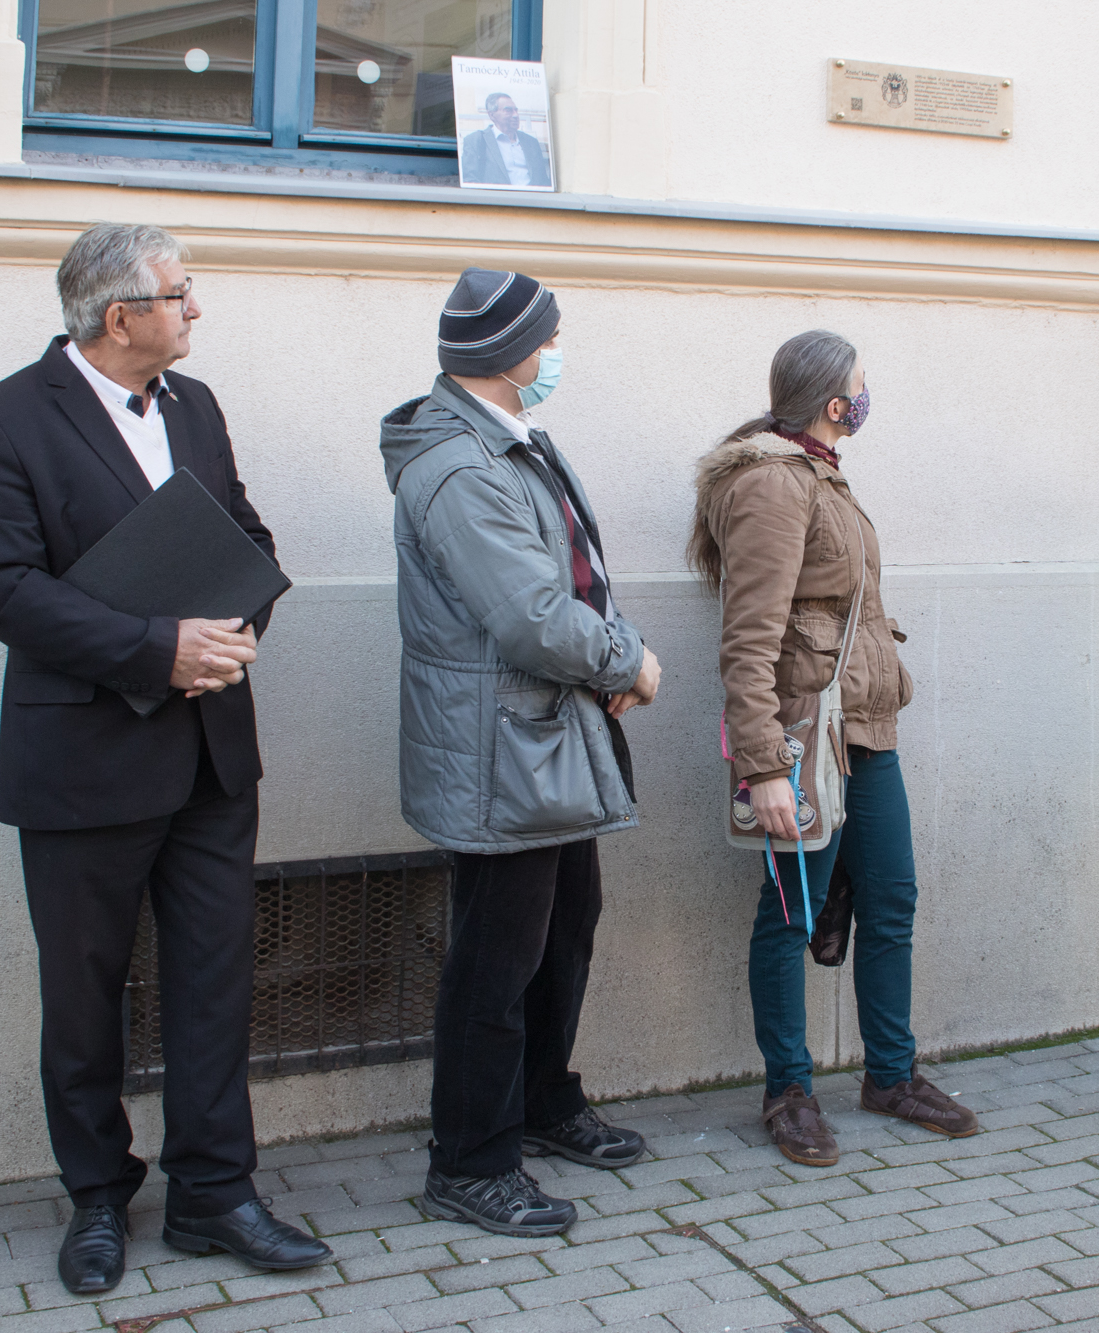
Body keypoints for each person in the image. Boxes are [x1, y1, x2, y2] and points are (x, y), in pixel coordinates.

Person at [0, 223, 329, 1295]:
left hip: (212, 752)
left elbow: (247, 537)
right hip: (84, 760)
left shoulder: (195, 406)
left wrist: (232, 632)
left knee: (214, 982)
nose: (195, 308)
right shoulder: (2, 420)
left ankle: (214, 1193)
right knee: (84, 996)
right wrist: (160, 650)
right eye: (179, 293)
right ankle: (96, 1197)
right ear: (119, 317)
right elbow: (8, 591)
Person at [380, 267, 661, 1236]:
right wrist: (629, 661)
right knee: (494, 961)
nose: (555, 352)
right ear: (507, 352)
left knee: (564, 924)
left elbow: (579, 574)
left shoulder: (511, 438)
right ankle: (469, 1160)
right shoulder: (459, 467)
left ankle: (542, 1098)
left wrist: (612, 651)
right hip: (501, 751)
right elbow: (532, 615)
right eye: (547, 336)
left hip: (545, 735)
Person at [686, 329, 980, 1168]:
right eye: (860, 383)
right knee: (791, 914)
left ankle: (890, 1075)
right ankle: (789, 1092)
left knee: (891, 898)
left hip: (865, 731)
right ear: (832, 399)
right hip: (805, 742)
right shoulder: (773, 484)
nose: (867, 395)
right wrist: (762, 766)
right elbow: (749, 640)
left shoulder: (821, 474)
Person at [458, 92, 552, 187]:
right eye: (508, 110)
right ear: (492, 115)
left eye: (516, 110)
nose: (515, 115)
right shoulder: (477, 140)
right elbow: (470, 180)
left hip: (531, 195)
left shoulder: (531, 142)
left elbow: (543, 180)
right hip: (497, 195)